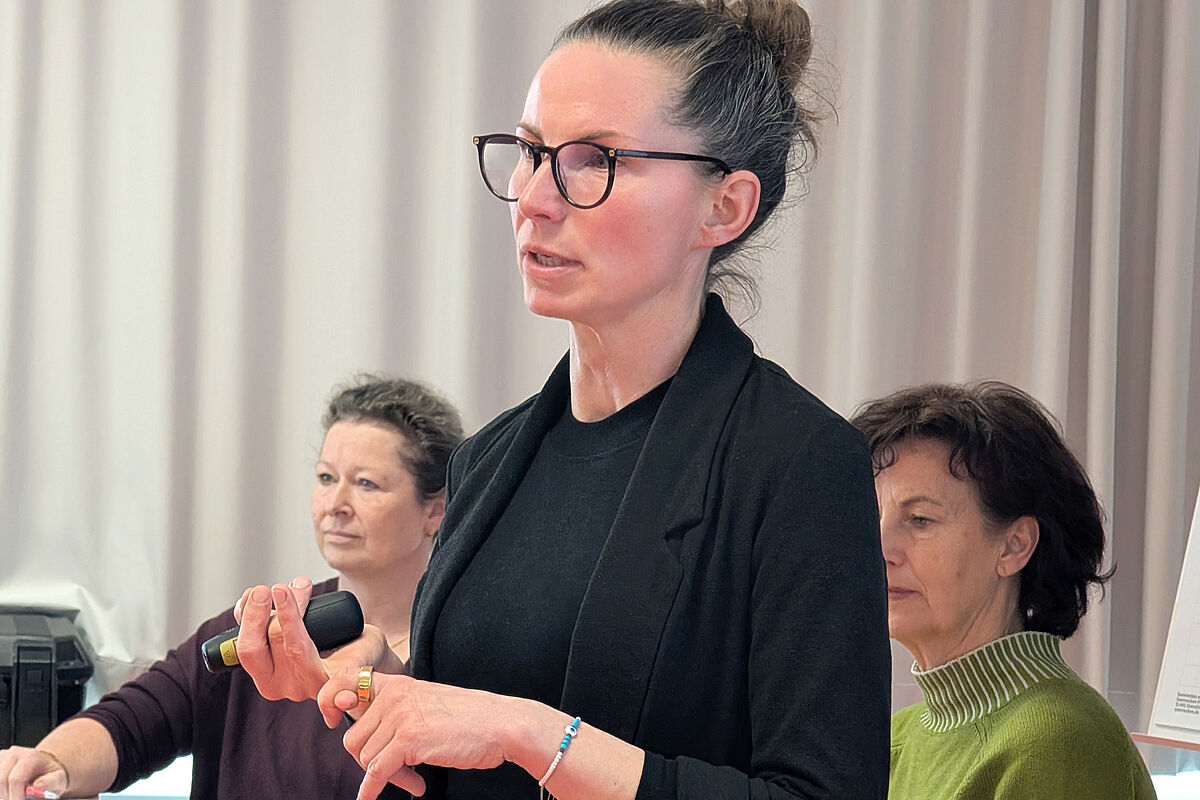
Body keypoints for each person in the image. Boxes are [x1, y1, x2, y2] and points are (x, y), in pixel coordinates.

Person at [234, 2, 890, 798]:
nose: (535, 199)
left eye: (595, 160)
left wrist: (532, 732)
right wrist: (365, 689)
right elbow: (467, 751)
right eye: (530, 151)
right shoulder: (490, 460)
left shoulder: (795, 464)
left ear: (725, 207)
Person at [0, 375, 464, 800]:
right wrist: (52, 763)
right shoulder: (255, 631)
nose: (335, 505)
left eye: (366, 484)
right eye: (326, 478)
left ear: (435, 510)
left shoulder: (467, 654)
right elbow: (130, 723)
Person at [849, 381, 1157, 799]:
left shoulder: (1057, 741)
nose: (880, 549)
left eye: (920, 520)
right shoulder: (897, 738)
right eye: (872, 516)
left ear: (1014, 546)